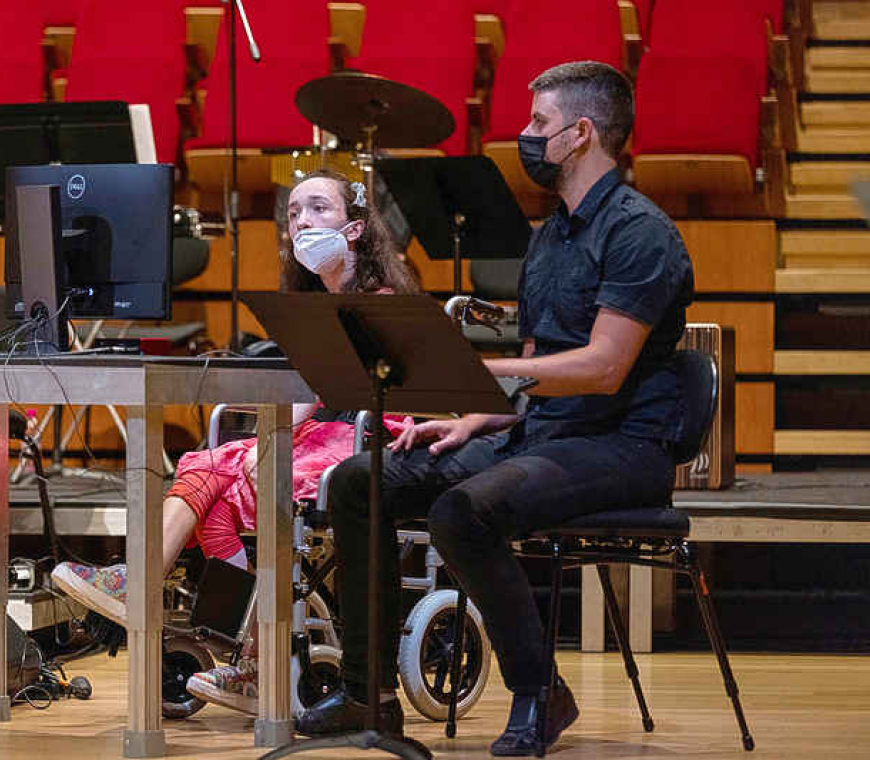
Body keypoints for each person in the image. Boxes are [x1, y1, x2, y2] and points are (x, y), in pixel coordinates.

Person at [296, 61, 695, 758]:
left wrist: (487, 370)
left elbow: (602, 369)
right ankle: (370, 694)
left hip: (623, 447)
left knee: (462, 510)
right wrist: (480, 415)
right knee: (360, 479)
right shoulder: (551, 234)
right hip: (542, 433)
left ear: (580, 134)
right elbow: (542, 362)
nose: (524, 135)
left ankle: (541, 692)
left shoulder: (640, 233)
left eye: (538, 123)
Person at [50, 168, 418, 714]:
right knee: (214, 478)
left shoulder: (382, 299)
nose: (302, 222)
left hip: (366, 435)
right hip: (321, 430)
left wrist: (267, 444)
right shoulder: (314, 303)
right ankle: (246, 656)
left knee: (228, 466)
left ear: (356, 229)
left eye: (319, 209)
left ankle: (141, 579)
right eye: (294, 213)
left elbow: (351, 392)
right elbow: (303, 400)